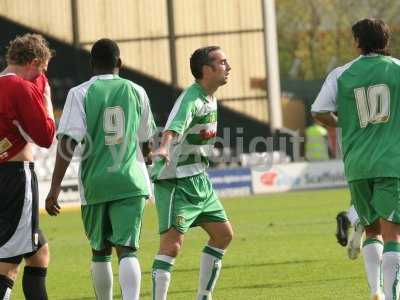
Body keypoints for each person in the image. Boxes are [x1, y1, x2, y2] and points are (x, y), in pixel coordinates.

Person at [45, 38, 156, 300]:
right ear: (119, 63)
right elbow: (147, 139)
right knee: (128, 249)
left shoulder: (80, 93)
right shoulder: (137, 90)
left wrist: (55, 187)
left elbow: (68, 142)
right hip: (131, 182)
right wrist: (148, 157)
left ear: (92, 64)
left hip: (96, 184)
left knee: (100, 250)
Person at [311, 18, 400, 300]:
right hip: (391, 162)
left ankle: (375, 290)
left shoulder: (341, 74)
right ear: (385, 41)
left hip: (358, 164)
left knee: (371, 230)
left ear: (357, 42)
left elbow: (319, 111)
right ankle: (392, 296)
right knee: (393, 236)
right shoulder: (397, 69)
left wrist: (343, 124)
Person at [150, 46, 234, 300]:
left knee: (223, 235)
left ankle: (203, 296)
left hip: (199, 179)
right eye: (223, 62)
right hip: (176, 182)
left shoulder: (210, 97)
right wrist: (164, 148)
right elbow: (173, 127)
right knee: (171, 246)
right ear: (207, 70)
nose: (228, 66)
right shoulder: (191, 99)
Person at [0, 34, 55, 299]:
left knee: (39, 253)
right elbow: (45, 136)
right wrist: (46, 101)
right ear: (33, 62)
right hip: (15, 178)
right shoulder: (20, 88)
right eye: (42, 70)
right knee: (9, 263)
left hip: (4, 176)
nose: (41, 77)